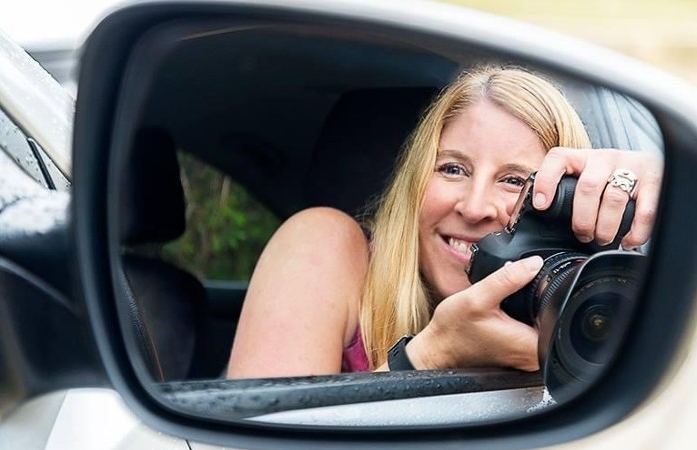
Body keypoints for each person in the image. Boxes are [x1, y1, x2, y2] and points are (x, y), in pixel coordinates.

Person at [226, 65, 662, 378]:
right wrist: (433, 354)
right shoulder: (325, 246)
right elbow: (253, 435)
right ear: (415, 180)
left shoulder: (591, 300)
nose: (474, 208)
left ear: (568, 206)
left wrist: (656, 214)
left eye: (514, 181)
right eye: (453, 169)